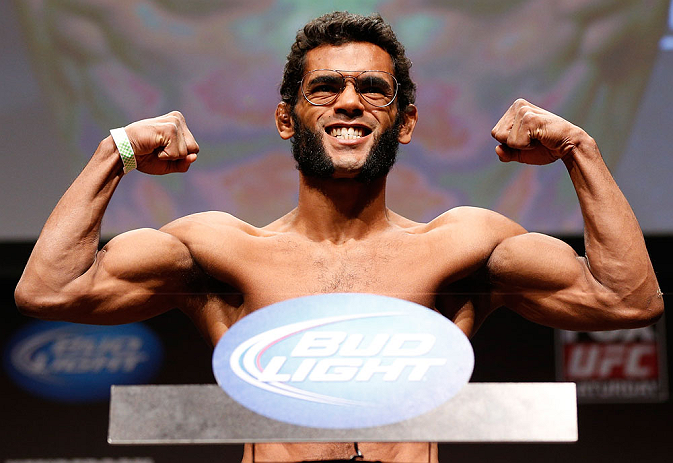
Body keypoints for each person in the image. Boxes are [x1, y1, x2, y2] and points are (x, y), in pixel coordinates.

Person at [14, 11, 663, 463]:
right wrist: (116, 150)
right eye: (324, 87)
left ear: (404, 123)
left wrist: (579, 149)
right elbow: (51, 289)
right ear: (284, 118)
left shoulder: (463, 244)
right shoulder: (219, 249)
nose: (348, 102)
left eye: (371, 90)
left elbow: (626, 300)